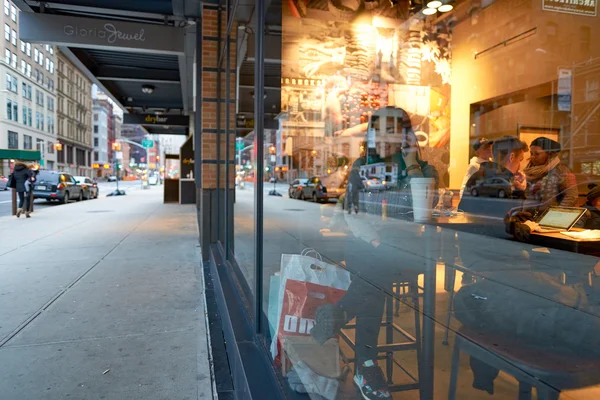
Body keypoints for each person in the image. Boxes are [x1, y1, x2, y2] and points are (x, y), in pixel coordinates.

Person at [312, 110, 438, 400]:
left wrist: (413, 165)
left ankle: (341, 317)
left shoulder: (424, 170)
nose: (381, 139)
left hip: (407, 251)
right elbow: (351, 212)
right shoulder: (361, 166)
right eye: (376, 132)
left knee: (369, 278)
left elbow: (422, 217)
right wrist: (373, 238)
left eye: (390, 131)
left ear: (405, 135)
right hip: (369, 246)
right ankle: (366, 366)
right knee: (371, 277)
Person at [523, 137, 577, 217]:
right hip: (530, 217)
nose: (533, 157)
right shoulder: (529, 171)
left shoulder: (561, 171)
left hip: (552, 219)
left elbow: (571, 196)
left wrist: (556, 215)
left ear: (549, 154)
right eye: (531, 153)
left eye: (537, 154)